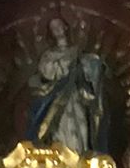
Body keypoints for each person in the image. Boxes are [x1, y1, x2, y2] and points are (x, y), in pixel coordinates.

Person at [24, 16, 113, 155]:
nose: (57, 30)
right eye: (53, 28)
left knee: (81, 131)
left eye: (59, 25)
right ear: (51, 33)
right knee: (60, 132)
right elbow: (48, 72)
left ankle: (80, 161)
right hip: (56, 102)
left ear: (65, 27)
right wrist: (69, 65)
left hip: (77, 98)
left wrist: (94, 68)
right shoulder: (49, 55)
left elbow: (89, 71)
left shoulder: (78, 52)